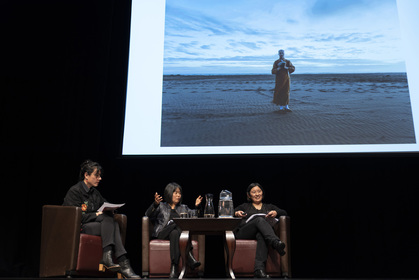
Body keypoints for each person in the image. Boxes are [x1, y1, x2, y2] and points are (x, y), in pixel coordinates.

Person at [63, 160, 140, 279]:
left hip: (94, 226)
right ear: (86, 175)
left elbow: (104, 203)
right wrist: (96, 215)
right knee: (110, 222)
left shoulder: (95, 192)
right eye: (96, 175)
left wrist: (111, 208)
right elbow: (76, 216)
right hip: (80, 226)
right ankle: (123, 263)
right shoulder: (75, 191)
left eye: (100, 176)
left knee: (111, 221)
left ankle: (110, 257)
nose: (99, 178)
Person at [145, 182, 202, 278]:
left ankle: (174, 268)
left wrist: (197, 207)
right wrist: (155, 204)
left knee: (175, 232)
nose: (178, 195)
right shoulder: (161, 206)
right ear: (169, 193)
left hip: (175, 235)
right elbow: (148, 215)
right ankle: (189, 256)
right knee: (177, 222)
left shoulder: (184, 207)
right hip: (162, 233)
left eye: (179, 193)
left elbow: (195, 217)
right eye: (175, 193)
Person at [234, 183, 287, 278]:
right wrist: (237, 213)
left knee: (261, 234)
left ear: (262, 193)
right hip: (244, 233)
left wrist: (276, 212)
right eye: (254, 192)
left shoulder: (269, 207)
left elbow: (284, 212)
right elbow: (231, 212)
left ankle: (259, 270)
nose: (257, 194)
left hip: (261, 234)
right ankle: (275, 242)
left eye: (259, 191)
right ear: (249, 195)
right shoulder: (244, 206)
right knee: (259, 220)